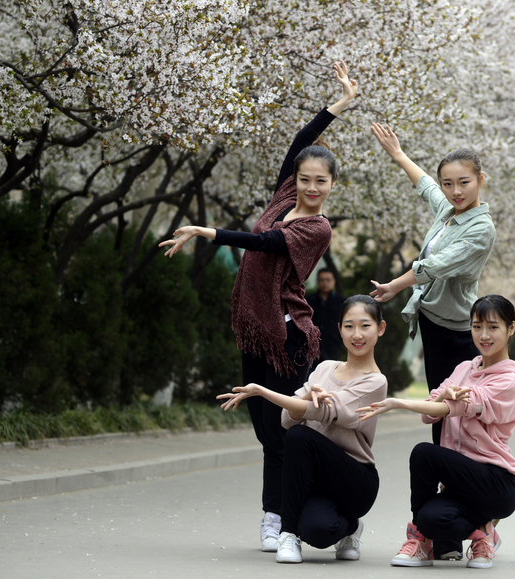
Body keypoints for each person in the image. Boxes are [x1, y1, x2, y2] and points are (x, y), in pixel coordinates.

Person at [158, 61, 358, 551]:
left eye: (321, 182)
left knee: (292, 430)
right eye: (307, 179)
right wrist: (340, 103)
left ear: (332, 186)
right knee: (267, 433)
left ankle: (319, 517)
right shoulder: (285, 191)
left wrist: (209, 232)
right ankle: (274, 516)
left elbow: (267, 243)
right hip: (255, 329)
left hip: (288, 336)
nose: (312, 188)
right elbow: (301, 140)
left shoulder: (317, 227)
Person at [368, 121, 496, 560]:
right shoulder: (449, 211)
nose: (455, 191)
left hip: (462, 336)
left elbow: (435, 266)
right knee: (443, 425)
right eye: (449, 183)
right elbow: (426, 188)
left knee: (458, 427)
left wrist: (395, 286)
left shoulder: (481, 228)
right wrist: (399, 153)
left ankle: (472, 528)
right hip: (436, 329)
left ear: (482, 181)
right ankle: (440, 532)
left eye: (464, 182)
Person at [356, 295, 515, 570]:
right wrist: (441, 399)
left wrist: (398, 403)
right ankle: (482, 533)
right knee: (432, 518)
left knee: (424, 453)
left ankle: (418, 539)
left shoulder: (510, 380)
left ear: (511, 328)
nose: (483, 335)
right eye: (476, 326)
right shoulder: (463, 369)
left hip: (495, 483)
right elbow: (428, 413)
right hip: (459, 483)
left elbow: (457, 405)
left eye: (493, 327)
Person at [218, 295, 387, 563]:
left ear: (380, 328)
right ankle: (350, 528)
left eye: (365, 326)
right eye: (349, 326)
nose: (357, 335)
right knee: (317, 532)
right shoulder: (324, 369)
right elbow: (287, 417)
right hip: (318, 478)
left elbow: (327, 413)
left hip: (355, 481)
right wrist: (306, 398)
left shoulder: (376, 382)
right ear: (339, 328)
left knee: (300, 437)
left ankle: (287, 533)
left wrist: (263, 391)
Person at [307, 268, 346, 372]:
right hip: (312, 348)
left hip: (332, 345)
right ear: (317, 281)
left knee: (330, 375)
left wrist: (340, 340)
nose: (325, 283)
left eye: (328, 280)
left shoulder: (341, 302)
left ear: (334, 281)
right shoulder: (308, 300)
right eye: (321, 280)